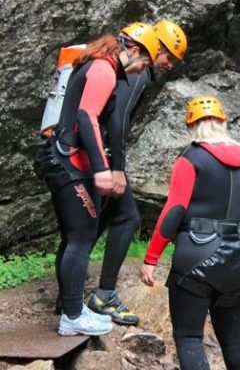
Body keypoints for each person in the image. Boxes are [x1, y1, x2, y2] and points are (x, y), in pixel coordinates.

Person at [34, 22, 160, 336]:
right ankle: (73, 317)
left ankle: (69, 308)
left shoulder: (98, 64)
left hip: (62, 157)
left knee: (73, 238)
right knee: (80, 238)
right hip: (70, 162)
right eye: (144, 63)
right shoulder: (103, 69)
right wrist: (103, 170)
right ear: (133, 51)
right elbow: (86, 116)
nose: (141, 71)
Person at [140, 96, 240, 370]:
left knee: (189, 338)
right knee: (233, 338)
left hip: (195, 256)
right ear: (223, 122)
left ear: (191, 125)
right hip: (237, 258)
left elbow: (174, 211)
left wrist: (151, 258)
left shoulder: (190, 158)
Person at [86, 19, 188, 326]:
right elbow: (117, 119)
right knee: (128, 217)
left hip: (93, 151)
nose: (169, 64)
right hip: (103, 155)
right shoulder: (139, 72)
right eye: (169, 56)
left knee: (100, 218)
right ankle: (104, 295)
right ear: (156, 48)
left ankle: (70, 291)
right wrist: (116, 166)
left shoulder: (131, 68)